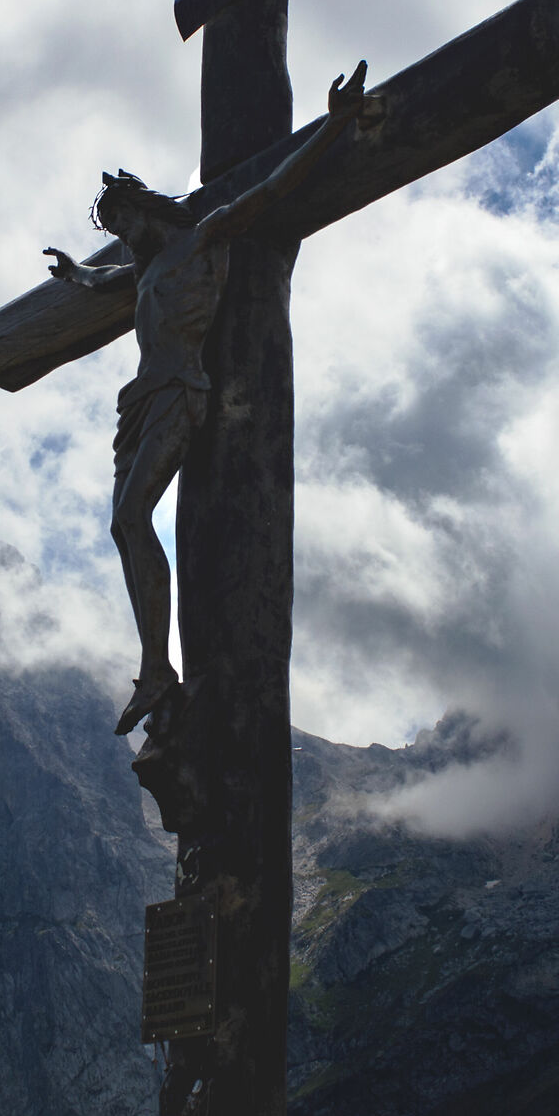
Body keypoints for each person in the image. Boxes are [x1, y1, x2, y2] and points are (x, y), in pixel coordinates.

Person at [47, 62, 376, 734]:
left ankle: (156, 669)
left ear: (142, 206)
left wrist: (335, 125)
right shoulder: (140, 270)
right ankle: (154, 668)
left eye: (120, 218)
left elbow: (274, 186)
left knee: (135, 517)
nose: (117, 234)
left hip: (180, 390)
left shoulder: (204, 238)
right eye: (109, 225)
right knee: (123, 525)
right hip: (140, 400)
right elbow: (106, 287)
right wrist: (76, 275)